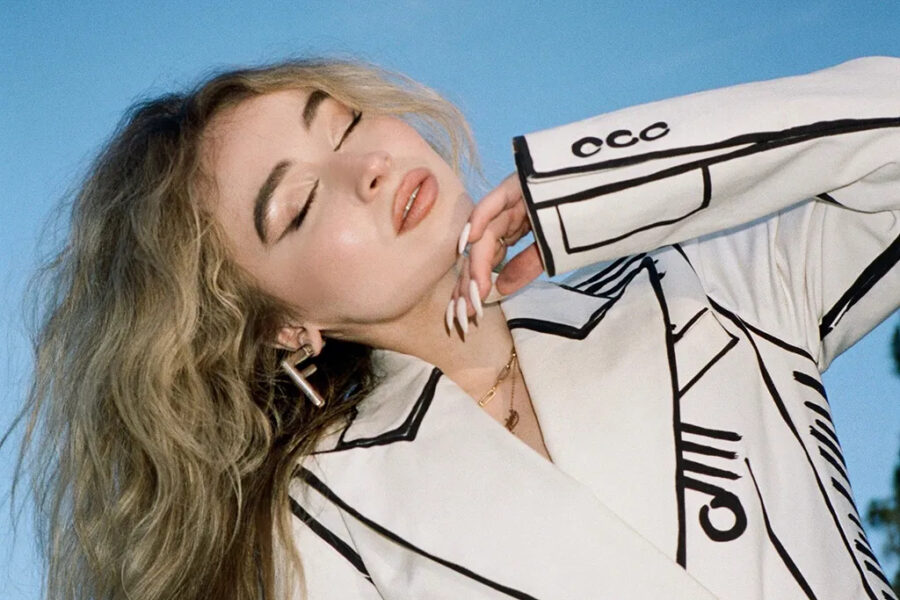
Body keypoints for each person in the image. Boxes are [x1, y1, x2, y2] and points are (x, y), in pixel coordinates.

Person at [19, 55, 899, 600]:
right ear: (286, 327)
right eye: (300, 203)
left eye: (347, 122)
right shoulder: (316, 530)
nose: (367, 167)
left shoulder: (705, 297)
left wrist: (585, 187)